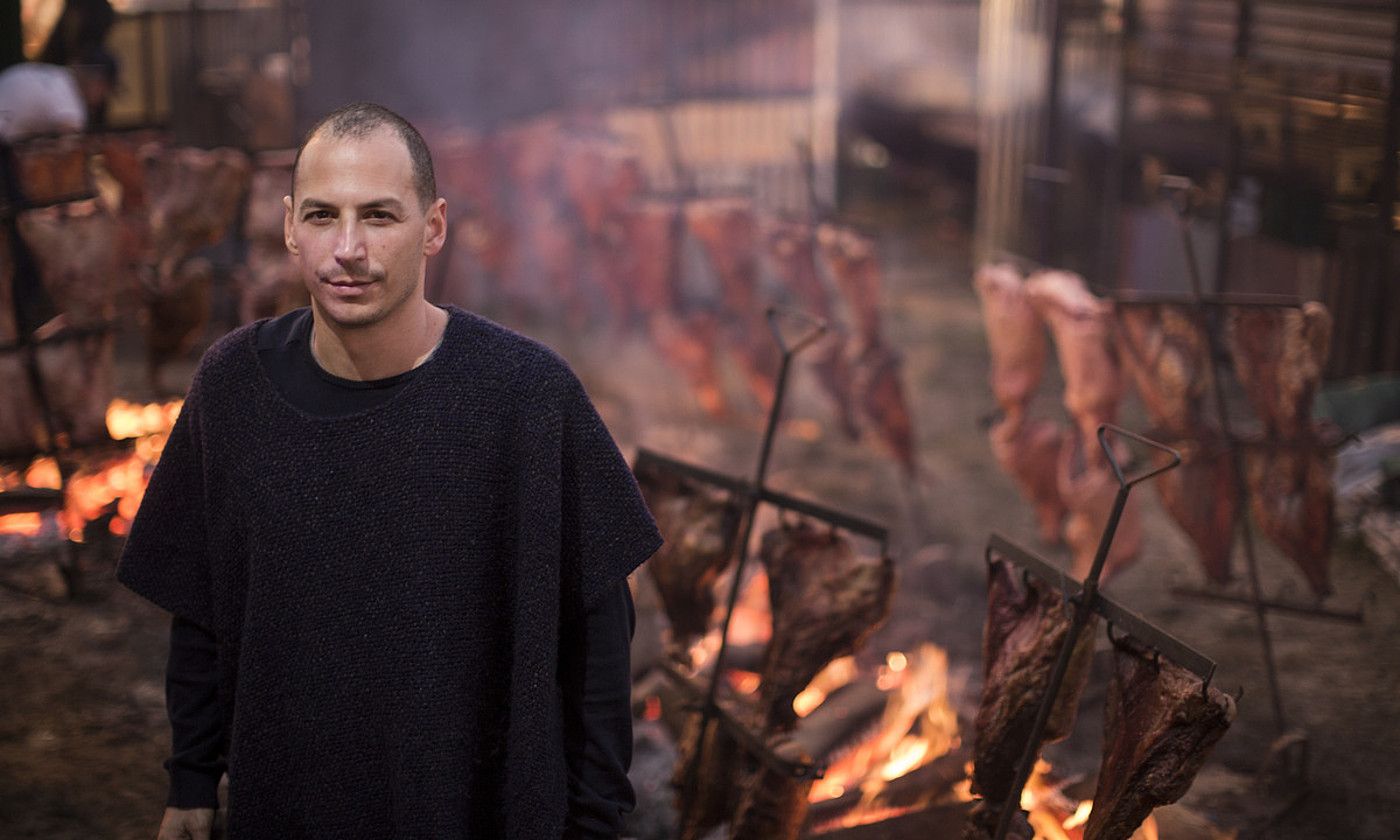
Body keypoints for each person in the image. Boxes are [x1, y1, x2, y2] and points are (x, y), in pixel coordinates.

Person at [117, 102, 662, 839]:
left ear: (432, 227)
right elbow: (202, 603)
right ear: (288, 226)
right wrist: (190, 780)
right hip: (288, 804)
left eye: (378, 216)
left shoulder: (524, 396)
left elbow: (595, 632)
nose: (347, 248)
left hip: (475, 812)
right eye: (321, 216)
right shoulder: (232, 387)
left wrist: (598, 821)